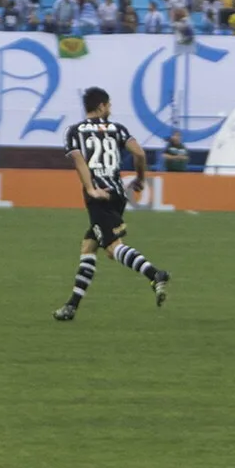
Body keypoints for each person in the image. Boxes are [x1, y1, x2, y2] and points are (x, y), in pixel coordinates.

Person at [53, 86, 171, 321]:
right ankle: (71, 307)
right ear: (101, 106)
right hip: (117, 195)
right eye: (109, 105)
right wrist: (139, 179)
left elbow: (80, 162)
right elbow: (139, 154)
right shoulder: (118, 129)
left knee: (111, 248)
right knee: (89, 245)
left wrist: (90, 189)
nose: (110, 109)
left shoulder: (73, 131)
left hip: (99, 196)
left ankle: (155, 273)